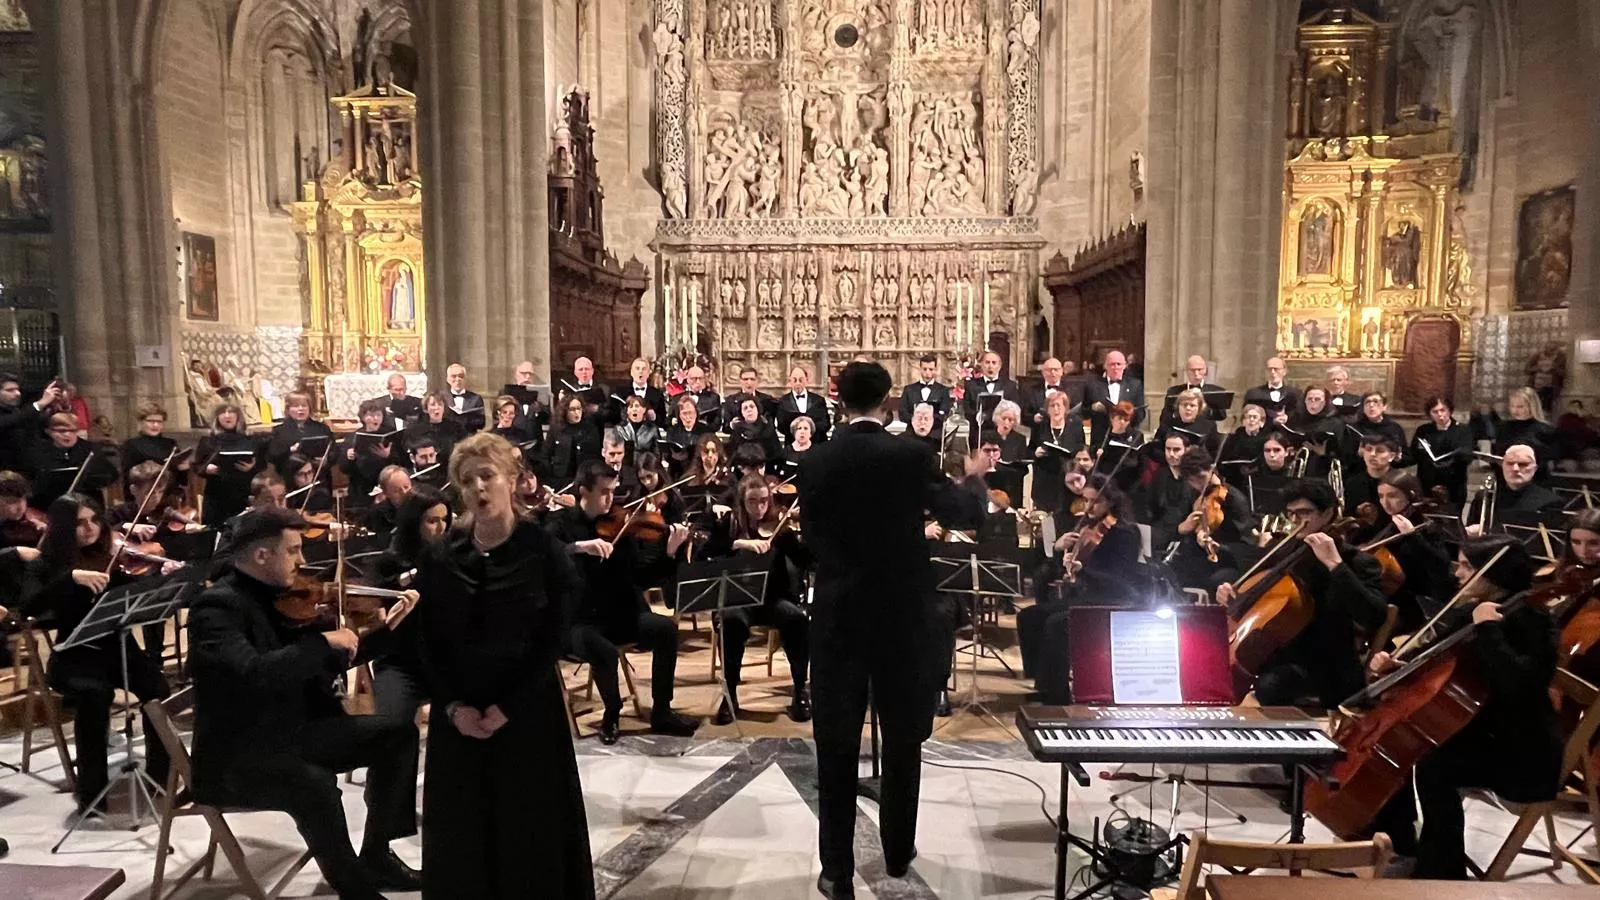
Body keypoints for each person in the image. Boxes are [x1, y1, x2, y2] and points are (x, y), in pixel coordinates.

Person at [798, 361, 988, 897]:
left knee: (834, 744)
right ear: (888, 402)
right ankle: (899, 853)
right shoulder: (909, 455)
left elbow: (811, 537)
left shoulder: (815, 461)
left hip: (839, 616)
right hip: (901, 616)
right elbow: (964, 514)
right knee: (904, 738)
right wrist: (972, 477)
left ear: (838, 402)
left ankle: (835, 868)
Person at [187, 506, 421, 899]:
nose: (302, 560)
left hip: (292, 732)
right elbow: (254, 672)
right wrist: (321, 642)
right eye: (294, 550)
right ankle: (356, 889)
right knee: (311, 784)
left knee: (397, 734)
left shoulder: (281, 598)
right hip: (239, 757)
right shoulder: (216, 608)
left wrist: (388, 631)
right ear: (263, 555)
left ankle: (377, 855)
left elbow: (326, 659)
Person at [415, 435, 595, 898]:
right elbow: (427, 640)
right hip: (459, 714)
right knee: (462, 831)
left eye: (488, 476)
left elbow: (553, 638)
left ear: (512, 481)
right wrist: (453, 706)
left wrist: (507, 707)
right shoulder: (442, 554)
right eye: (468, 480)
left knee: (529, 828)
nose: (479, 488)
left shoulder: (543, 550)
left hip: (525, 710)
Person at [1370, 536, 1560, 879]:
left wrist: (1488, 629)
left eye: (1467, 566)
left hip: (1520, 749)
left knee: (1433, 767)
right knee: (1405, 745)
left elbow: (1519, 684)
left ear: (1497, 574)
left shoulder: (1534, 621)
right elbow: (1442, 663)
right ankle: (1402, 841)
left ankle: (1442, 873)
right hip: (1480, 730)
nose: (1457, 573)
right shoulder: (1469, 609)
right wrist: (1398, 667)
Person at [20, 494, 172, 814]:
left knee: (158, 689)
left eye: (94, 520)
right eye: (79, 523)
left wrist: (161, 577)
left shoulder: (107, 558)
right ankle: (92, 793)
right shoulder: (43, 564)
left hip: (117, 650)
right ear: (62, 527)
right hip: (73, 655)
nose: (89, 528)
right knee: (94, 696)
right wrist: (70, 578)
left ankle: (162, 776)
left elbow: (132, 598)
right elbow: (29, 607)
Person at [548, 460, 699, 744]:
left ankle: (662, 711)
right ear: (584, 491)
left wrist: (669, 553)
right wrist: (580, 547)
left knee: (666, 630)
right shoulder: (561, 523)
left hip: (619, 614)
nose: (611, 499)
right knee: (603, 650)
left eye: (614, 491)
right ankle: (612, 714)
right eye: (604, 492)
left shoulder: (622, 524)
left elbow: (640, 576)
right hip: (580, 621)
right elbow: (547, 552)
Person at [1216, 478, 1387, 707]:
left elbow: (1375, 615)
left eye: (1304, 512)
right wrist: (1230, 592)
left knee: (1271, 686)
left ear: (1328, 514)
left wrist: (1335, 565)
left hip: (1327, 666)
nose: (1295, 520)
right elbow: (1249, 585)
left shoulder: (1357, 561)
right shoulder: (1283, 549)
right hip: (1277, 655)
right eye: (1290, 514)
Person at [1019, 474, 1142, 704]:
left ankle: (1057, 694)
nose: (1088, 507)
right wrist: (1061, 552)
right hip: (1089, 595)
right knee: (1029, 616)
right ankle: (1043, 683)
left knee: (1057, 624)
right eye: (1086, 501)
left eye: (1095, 501)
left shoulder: (1125, 533)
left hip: (1115, 599)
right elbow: (1067, 571)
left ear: (1110, 502)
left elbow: (1119, 579)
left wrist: (1082, 570)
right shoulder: (1090, 528)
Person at [700, 474, 812, 724]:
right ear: (742, 501)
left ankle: (800, 689)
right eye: (753, 502)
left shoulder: (780, 528)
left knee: (796, 619)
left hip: (773, 600)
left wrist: (810, 534)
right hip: (739, 601)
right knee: (731, 623)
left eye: (764, 501)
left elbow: (806, 560)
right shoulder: (728, 525)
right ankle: (730, 695)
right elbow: (704, 553)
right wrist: (739, 544)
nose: (759, 508)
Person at [1363, 471, 1454, 635]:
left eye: (1392, 496)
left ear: (1411, 495)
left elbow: (1441, 563)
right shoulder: (1386, 519)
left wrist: (1412, 536)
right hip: (1393, 593)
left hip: (1417, 598)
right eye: (1381, 496)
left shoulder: (1428, 522)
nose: (1385, 503)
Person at [26, 412, 116, 509]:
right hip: (50, 507)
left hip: (87, 506)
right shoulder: (38, 452)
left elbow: (111, 476)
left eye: (73, 430)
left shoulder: (91, 449)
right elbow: (30, 484)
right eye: (61, 431)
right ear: (48, 431)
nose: (68, 435)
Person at [1465, 443, 1564, 530]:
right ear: (1502, 466)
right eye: (1510, 463)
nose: (1515, 469)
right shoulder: (1484, 496)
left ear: (1535, 468)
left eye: (1523, 464)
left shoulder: (1551, 502)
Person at [196, 402, 261, 525]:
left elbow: (262, 465)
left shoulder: (251, 439)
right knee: (215, 531)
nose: (227, 416)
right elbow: (197, 467)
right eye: (223, 413)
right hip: (216, 494)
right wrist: (206, 469)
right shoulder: (208, 441)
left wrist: (252, 468)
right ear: (217, 418)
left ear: (238, 416)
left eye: (231, 412)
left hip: (243, 492)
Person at [1410, 396, 1472, 506]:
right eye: (1435, 411)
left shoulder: (1462, 430)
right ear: (1430, 414)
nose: (1440, 414)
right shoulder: (1423, 430)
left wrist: (1451, 462)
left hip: (1453, 485)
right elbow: (1414, 454)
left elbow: (1467, 456)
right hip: (1427, 483)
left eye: (1442, 410)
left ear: (1449, 410)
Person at [1028, 390, 1083, 512]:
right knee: (1046, 521)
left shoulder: (1075, 426)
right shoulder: (1040, 427)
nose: (1056, 409)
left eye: (1059, 405)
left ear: (1066, 408)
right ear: (1047, 409)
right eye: (1052, 406)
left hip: (1067, 478)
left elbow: (1080, 447)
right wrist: (1035, 453)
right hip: (1044, 479)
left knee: (1065, 517)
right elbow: (1030, 450)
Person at [1081, 350, 1145, 448]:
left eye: (1118, 364)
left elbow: (1141, 413)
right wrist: (1093, 408)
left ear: (1125, 366)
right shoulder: (1093, 385)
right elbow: (1083, 412)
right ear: (1105, 366)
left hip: (1126, 438)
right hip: (1100, 439)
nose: (1115, 368)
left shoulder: (1135, 385)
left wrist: (1125, 415)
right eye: (1112, 364)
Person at [0, 373, 61, 473]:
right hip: (7, 472)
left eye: (17, 389)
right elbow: (10, 421)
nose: (17, 393)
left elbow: (36, 425)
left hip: (30, 469)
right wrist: (40, 403)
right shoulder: (14, 413)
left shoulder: (16, 409)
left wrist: (50, 407)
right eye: (10, 390)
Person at [343, 399, 402, 501]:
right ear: (363, 417)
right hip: (361, 485)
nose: (376, 418)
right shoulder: (352, 437)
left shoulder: (390, 435)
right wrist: (349, 458)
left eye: (379, 415)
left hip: (386, 483)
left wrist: (388, 456)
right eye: (371, 415)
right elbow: (344, 469)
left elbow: (402, 463)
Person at [1493, 386, 1557, 479]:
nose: (1515, 411)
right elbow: (1498, 453)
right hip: (1507, 478)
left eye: (1520, 407)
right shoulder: (1504, 427)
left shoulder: (1546, 430)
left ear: (1532, 406)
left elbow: (1550, 457)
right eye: (1512, 406)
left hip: (1536, 479)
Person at [120, 402, 188, 486]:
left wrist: (183, 469)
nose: (155, 425)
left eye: (159, 421)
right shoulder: (130, 445)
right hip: (144, 493)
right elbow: (127, 478)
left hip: (170, 493)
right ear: (141, 422)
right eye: (151, 421)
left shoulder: (170, 443)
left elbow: (182, 481)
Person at [266, 390, 334, 474]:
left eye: (304, 405)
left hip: (318, 475)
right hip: (289, 476)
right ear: (288, 409)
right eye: (296, 406)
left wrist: (326, 460)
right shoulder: (279, 430)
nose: (301, 409)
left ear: (310, 408)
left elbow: (334, 451)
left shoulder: (322, 428)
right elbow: (272, 455)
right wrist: (290, 450)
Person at [544, 393, 601, 489]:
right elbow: (546, 454)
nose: (577, 412)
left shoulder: (590, 429)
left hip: (584, 479)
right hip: (560, 479)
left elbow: (596, 456)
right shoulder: (556, 429)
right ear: (564, 411)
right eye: (572, 409)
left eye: (579, 408)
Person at [1344, 391, 1411, 469]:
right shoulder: (1353, 428)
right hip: (1362, 473)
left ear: (1384, 407)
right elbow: (1346, 459)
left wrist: (1398, 458)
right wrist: (1359, 455)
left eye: (1376, 401)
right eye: (1367, 402)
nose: (1371, 405)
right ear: (1363, 408)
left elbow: (1408, 458)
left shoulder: (1395, 428)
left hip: (1389, 473)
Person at [404, 392, 466, 470]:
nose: (437, 408)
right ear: (426, 409)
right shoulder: (415, 429)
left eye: (440, 404)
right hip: (425, 469)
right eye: (433, 405)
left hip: (448, 468)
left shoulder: (456, 427)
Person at [1342, 433, 1401, 514]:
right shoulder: (1352, 483)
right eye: (1369, 449)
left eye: (1380, 451)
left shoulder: (1401, 481)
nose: (1372, 454)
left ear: (1391, 456)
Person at [1161, 355, 1229, 424]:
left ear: (1205, 371)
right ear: (1187, 371)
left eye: (1199, 370)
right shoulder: (1173, 391)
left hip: (1206, 432)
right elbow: (1165, 417)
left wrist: (1201, 409)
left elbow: (1222, 416)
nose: (1196, 373)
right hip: (1180, 432)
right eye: (1192, 370)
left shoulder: (1216, 391)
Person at [961, 349, 1021, 427]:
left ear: (999, 366)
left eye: (994, 363)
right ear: (981, 365)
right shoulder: (971, 385)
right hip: (978, 431)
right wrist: (978, 416)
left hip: (1001, 432)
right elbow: (967, 410)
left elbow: (1014, 410)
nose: (990, 366)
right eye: (987, 362)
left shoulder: (1010, 386)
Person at [777, 365, 833, 442]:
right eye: (794, 380)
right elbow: (781, 427)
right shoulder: (783, 401)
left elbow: (826, 424)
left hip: (816, 444)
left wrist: (809, 430)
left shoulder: (818, 400)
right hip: (793, 445)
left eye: (801, 380)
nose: (798, 383)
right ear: (790, 381)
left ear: (806, 380)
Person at [1242, 357, 1301, 428]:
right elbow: (1245, 418)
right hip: (1262, 435)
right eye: (1269, 369)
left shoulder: (1295, 393)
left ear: (1284, 371)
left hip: (1288, 436)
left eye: (1276, 369)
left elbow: (1300, 414)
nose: (1272, 372)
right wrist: (1271, 421)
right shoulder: (1253, 394)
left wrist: (1287, 417)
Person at [663, 394, 711, 476]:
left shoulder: (706, 431)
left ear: (696, 413)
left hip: (700, 473)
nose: (688, 417)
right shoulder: (672, 431)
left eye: (690, 413)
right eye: (684, 413)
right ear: (679, 415)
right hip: (677, 473)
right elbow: (667, 456)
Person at [898, 354, 952, 427]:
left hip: (934, 435)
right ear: (920, 369)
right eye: (924, 369)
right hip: (912, 434)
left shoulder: (943, 390)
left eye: (931, 369)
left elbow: (944, 414)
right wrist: (917, 422)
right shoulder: (909, 390)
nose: (927, 372)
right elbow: (902, 413)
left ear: (935, 369)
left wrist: (928, 422)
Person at [613, 357, 666, 425]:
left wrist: (654, 417)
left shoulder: (657, 394)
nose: (640, 371)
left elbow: (662, 419)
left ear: (649, 372)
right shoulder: (621, 392)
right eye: (637, 368)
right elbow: (613, 417)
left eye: (644, 369)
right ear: (631, 372)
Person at [728, 396, 781, 463]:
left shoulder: (768, 429)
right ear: (742, 413)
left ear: (758, 410)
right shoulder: (737, 431)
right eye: (745, 408)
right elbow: (732, 455)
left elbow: (776, 454)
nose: (749, 410)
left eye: (752, 406)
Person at [1023, 357, 1074, 426]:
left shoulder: (1072, 390)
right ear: (1043, 372)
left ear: (1062, 371)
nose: (1053, 373)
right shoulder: (1031, 390)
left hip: (1066, 431)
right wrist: (1033, 418)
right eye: (1049, 370)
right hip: (1040, 432)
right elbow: (1024, 415)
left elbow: (1076, 413)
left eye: (1056, 370)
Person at [362, 465, 413, 534]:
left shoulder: (422, 504)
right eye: (397, 490)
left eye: (406, 487)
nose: (404, 492)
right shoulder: (378, 514)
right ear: (386, 493)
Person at [677, 366, 722, 432]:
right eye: (694, 378)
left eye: (701, 378)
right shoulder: (678, 397)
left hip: (705, 434)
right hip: (682, 435)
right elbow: (668, 421)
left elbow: (716, 424)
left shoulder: (713, 397)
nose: (698, 382)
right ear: (688, 380)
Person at [616, 395, 661, 461]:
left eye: (637, 406)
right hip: (626, 466)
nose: (634, 409)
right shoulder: (619, 428)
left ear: (644, 409)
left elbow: (657, 453)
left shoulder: (652, 429)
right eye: (631, 407)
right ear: (627, 410)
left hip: (646, 466)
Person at [444, 363, 486, 433]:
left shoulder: (476, 398)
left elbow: (481, 423)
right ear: (448, 379)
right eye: (453, 376)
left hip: (469, 437)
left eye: (461, 376)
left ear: (465, 379)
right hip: (448, 437)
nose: (458, 379)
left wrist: (465, 420)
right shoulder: (443, 398)